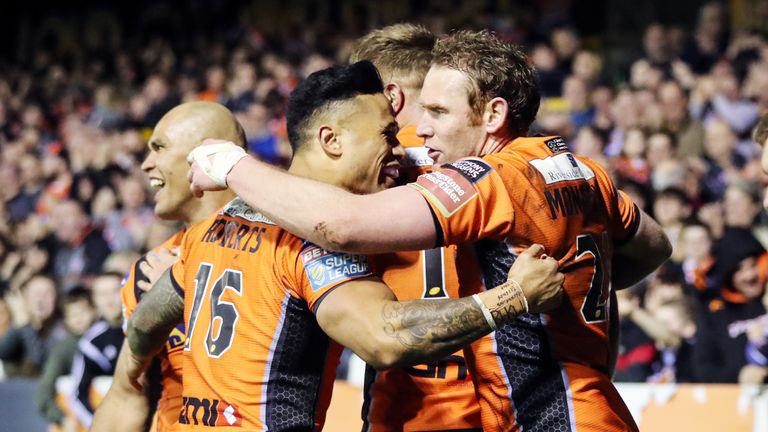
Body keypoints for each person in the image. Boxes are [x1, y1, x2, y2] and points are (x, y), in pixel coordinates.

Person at [188, 31, 672, 431]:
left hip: (534, 412)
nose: (422, 128)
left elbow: (338, 226)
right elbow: (654, 246)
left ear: (493, 114)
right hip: (579, 404)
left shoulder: (485, 178)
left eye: (437, 113)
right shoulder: (581, 169)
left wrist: (230, 165)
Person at [126, 61, 564, 431]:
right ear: (331, 140)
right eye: (387, 135)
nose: (398, 150)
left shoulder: (216, 224)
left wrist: (132, 366)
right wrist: (512, 298)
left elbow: (148, 319)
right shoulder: (312, 242)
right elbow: (385, 336)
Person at [348, 23, 483, 431]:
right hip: (493, 407)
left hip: (404, 411)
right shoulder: (499, 164)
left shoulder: (364, 172)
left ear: (390, 95)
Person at [91, 101, 247, 432]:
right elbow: (126, 395)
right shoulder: (147, 271)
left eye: (159, 147)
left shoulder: (282, 246)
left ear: (206, 153)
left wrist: (184, 287)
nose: (146, 164)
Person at [69, 272, 125, 429]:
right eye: (102, 294)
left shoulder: (150, 328)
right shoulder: (90, 343)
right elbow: (77, 394)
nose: (109, 300)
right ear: (94, 300)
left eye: (115, 291)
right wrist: (98, 425)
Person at [36, 287, 96, 430]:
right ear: (65, 319)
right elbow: (45, 389)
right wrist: (61, 417)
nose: (78, 319)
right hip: (75, 420)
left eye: (82, 312)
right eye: (72, 314)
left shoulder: (109, 338)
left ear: (94, 311)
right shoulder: (63, 348)